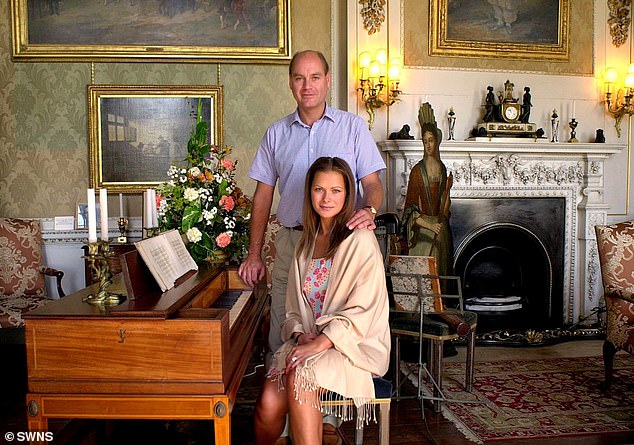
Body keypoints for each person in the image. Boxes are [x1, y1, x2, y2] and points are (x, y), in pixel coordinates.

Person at [238, 49, 385, 444]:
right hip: (294, 243)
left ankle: (322, 425)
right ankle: (292, 428)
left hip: (341, 242)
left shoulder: (353, 128)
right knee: (284, 336)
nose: (307, 85)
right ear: (290, 82)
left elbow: (371, 185)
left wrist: (369, 210)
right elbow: (262, 197)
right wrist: (255, 253)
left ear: (327, 79)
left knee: (326, 330)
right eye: (299, 78)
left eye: (315, 77)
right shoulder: (276, 134)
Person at [254, 157, 391, 445]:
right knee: (267, 404)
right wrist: (300, 334)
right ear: (309, 193)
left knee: (300, 378)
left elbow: (365, 309)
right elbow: (293, 306)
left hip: (350, 347)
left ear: (348, 194)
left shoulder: (360, 240)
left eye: (336, 190)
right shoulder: (306, 241)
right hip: (309, 341)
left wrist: (322, 341)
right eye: (319, 190)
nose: (327, 198)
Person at [401, 123, 454, 279]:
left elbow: (444, 210)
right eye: (425, 141)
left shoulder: (442, 169)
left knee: (442, 272)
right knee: (424, 274)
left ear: (436, 141)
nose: (428, 145)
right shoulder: (417, 171)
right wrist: (430, 226)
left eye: (431, 140)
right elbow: (411, 208)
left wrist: (448, 189)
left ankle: (442, 303)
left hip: (440, 228)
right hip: (423, 229)